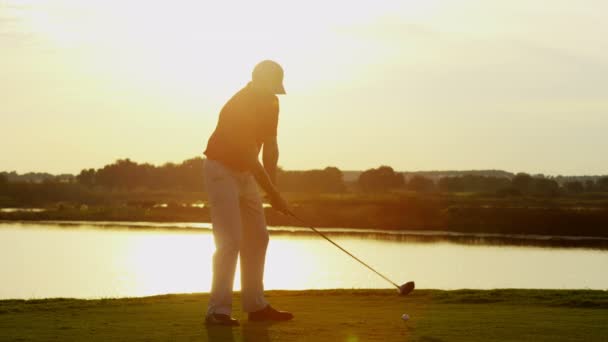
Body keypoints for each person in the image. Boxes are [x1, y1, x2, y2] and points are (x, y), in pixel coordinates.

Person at [203, 60, 294, 326]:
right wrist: (273, 194)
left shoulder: (272, 103)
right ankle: (217, 311)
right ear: (259, 80)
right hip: (221, 170)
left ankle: (256, 306)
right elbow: (249, 156)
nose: (275, 92)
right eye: (272, 86)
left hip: (245, 173)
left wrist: (272, 189)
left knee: (259, 238)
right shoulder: (239, 105)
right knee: (230, 240)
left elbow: (271, 147)